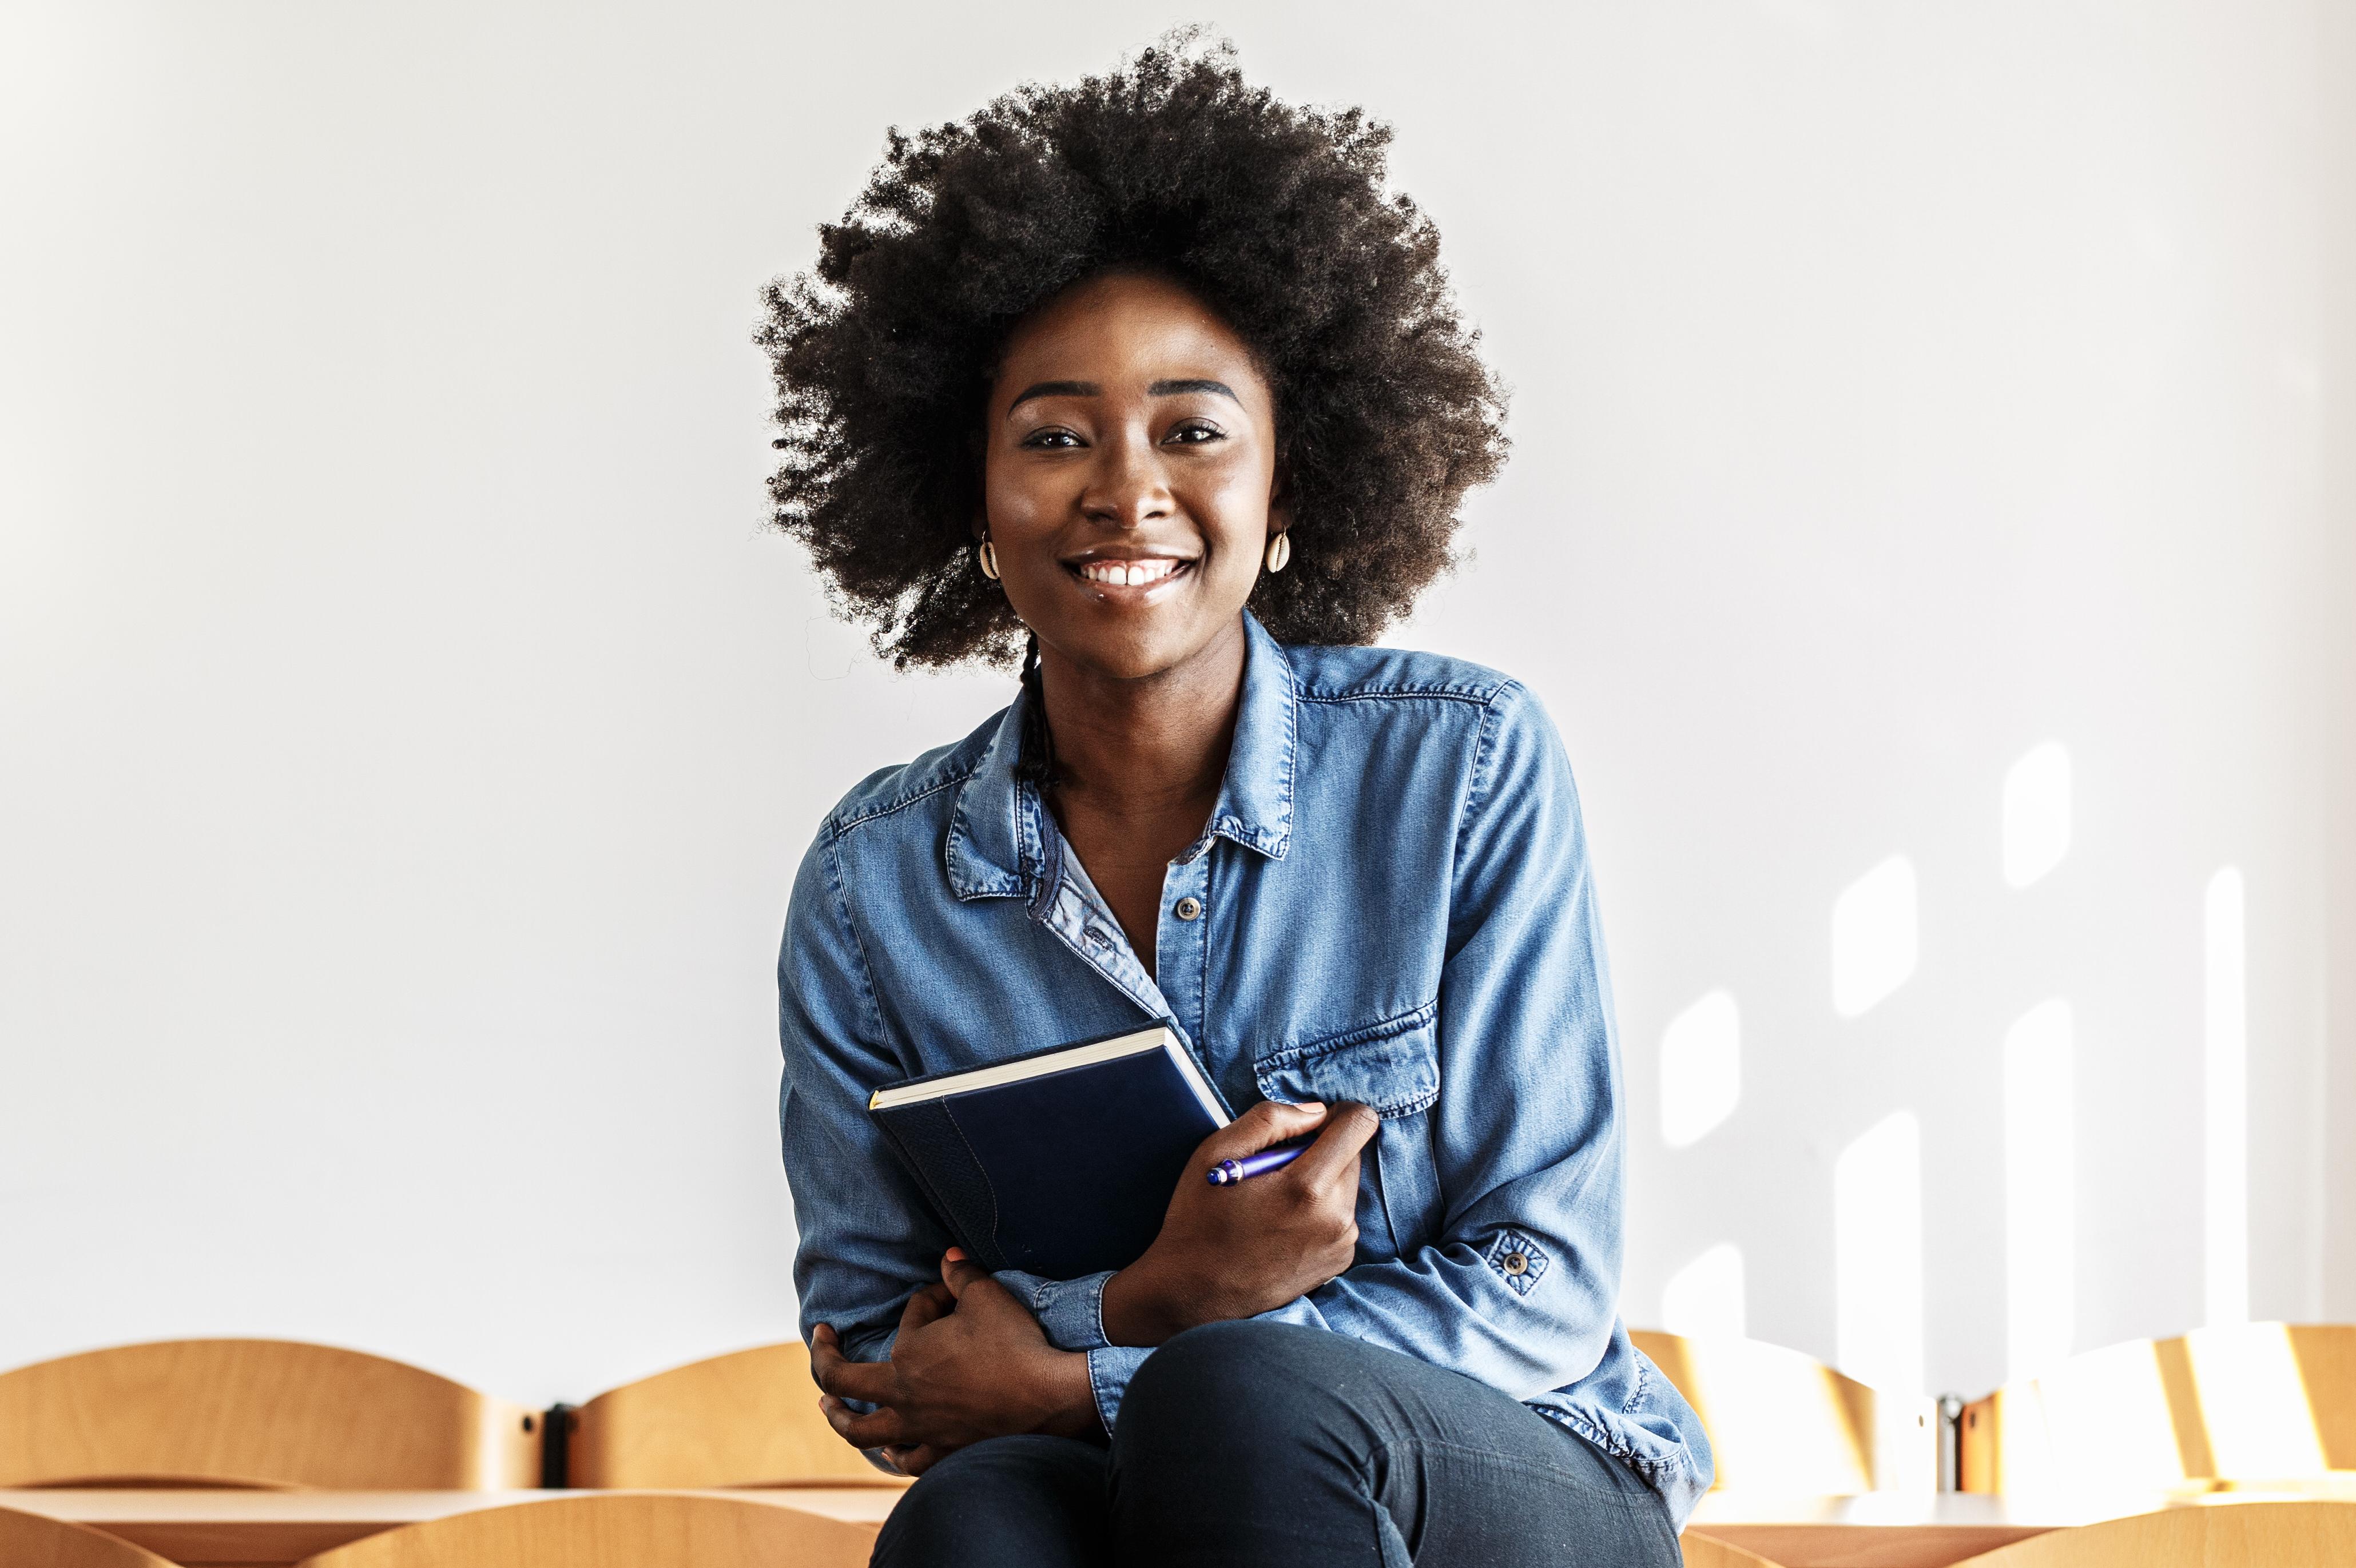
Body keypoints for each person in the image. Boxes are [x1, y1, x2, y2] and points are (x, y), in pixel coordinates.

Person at [764, 34, 1711, 1567]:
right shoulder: (882, 889)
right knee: (973, 1520)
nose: (1124, 488)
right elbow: (891, 1368)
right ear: (973, 507)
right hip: (1132, 1483)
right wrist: (1155, 1312)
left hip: (1516, 1472)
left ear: (1288, 498)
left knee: (1248, 1398)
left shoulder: (1462, 770)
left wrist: (1125, 1346)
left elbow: (1546, 1283)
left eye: (1194, 431)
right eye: (1055, 436)